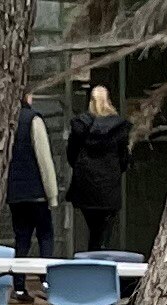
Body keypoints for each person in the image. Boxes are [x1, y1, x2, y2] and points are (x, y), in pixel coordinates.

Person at [66, 83, 132, 256]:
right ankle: (100, 255)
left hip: (86, 185)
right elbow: (124, 157)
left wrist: (82, 169)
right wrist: (114, 170)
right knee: (104, 231)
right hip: (109, 185)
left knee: (93, 228)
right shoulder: (118, 128)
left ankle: (93, 255)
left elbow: (71, 154)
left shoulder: (80, 125)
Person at [3, 99, 58, 269]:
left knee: (21, 238)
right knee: (45, 235)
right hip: (36, 192)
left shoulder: (5, 119)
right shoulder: (33, 119)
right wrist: (52, 195)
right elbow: (44, 159)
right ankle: (46, 278)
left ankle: (18, 281)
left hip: (15, 192)